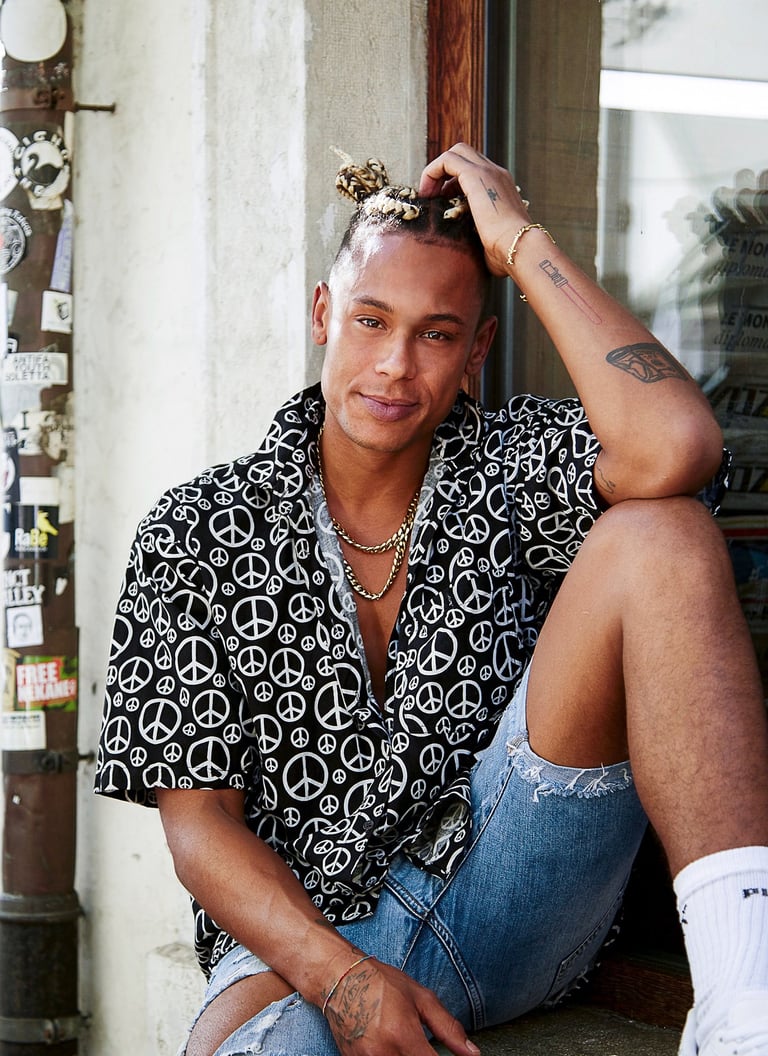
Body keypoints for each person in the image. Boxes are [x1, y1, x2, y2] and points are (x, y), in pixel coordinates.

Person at [95, 144, 768, 1056]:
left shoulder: (508, 466)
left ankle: (743, 1003)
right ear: (323, 313)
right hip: (308, 935)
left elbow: (676, 447)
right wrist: (341, 978)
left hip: (512, 881)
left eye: (436, 333)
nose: (395, 366)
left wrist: (520, 238)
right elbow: (199, 824)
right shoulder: (199, 529)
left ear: (476, 351)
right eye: (371, 321)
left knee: (662, 532)